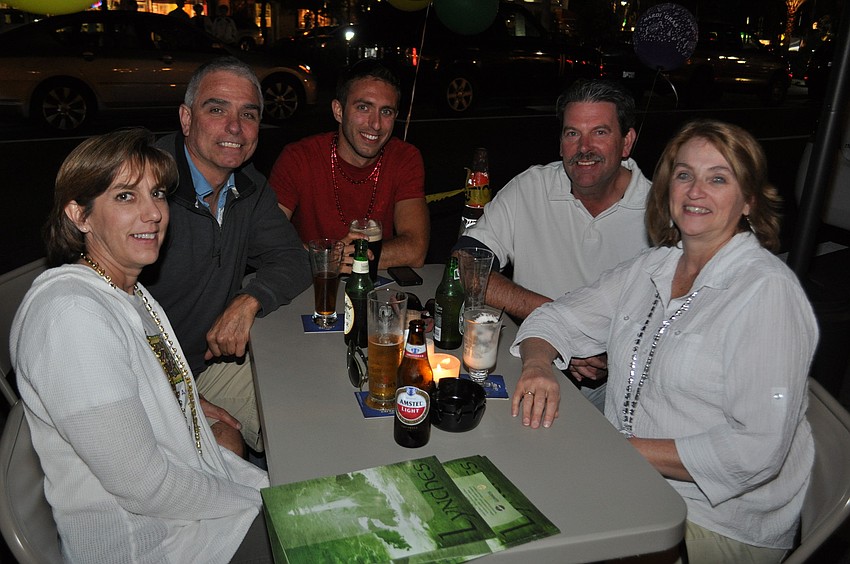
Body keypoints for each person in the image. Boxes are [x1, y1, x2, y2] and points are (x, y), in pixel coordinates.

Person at [512, 119, 817, 562]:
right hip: (630, 483)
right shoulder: (654, 266)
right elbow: (557, 317)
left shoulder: (767, 293)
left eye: (718, 178)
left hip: (714, 523)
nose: (696, 191)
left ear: (749, 200)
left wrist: (616, 447)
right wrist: (539, 365)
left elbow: (755, 451)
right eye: (684, 174)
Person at [10, 128, 274, 563]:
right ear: (80, 214)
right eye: (125, 197)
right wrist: (258, 504)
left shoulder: (126, 289)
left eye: (157, 194)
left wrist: (186, 397)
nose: (153, 213)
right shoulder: (71, 317)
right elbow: (144, 487)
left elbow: (138, 379)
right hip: (156, 544)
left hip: (188, 515)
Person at [141, 56, 311, 457]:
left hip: (206, 367)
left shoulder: (248, 187)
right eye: (216, 109)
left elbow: (291, 258)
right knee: (227, 446)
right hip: (141, 377)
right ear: (186, 119)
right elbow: (103, 318)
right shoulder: (145, 188)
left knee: (309, 407)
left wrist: (249, 300)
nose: (235, 127)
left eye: (248, 114)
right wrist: (172, 396)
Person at [456, 79, 651, 409]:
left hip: (624, 389)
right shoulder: (531, 188)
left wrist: (609, 348)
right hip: (532, 361)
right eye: (572, 133)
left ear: (626, 142)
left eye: (600, 133)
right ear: (561, 144)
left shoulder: (662, 211)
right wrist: (563, 330)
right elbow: (467, 263)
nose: (583, 147)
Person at [269, 58, 429, 272]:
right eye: (363, 107)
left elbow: (415, 249)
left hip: (377, 289)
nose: (375, 124)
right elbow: (268, 241)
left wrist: (352, 258)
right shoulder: (299, 157)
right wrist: (329, 258)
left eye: (386, 112)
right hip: (311, 286)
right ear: (338, 111)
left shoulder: (404, 157)